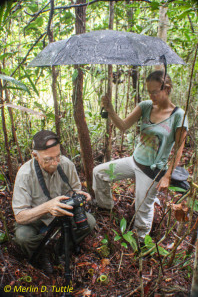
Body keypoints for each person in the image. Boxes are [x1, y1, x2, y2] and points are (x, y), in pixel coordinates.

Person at [93, 70, 188, 241]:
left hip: (151, 172)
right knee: (99, 172)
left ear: (167, 88)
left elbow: (179, 148)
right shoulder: (145, 106)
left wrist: (166, 176)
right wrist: (110, 110)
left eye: (155, 91)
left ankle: (141, 243)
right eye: (149, 91)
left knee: (142, 210)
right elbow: (123, 126)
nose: (151, 96)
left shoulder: (178, 116)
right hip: (134, 162)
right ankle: (107, 209)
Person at [12, 130, 96, 274]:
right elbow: (20, 216)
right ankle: (42, 252)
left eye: (58, 156)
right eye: (48, 159)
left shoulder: (66, 164)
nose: (55, 163)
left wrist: (78, 196)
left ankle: (60, 248)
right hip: (36, 217)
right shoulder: (25, 174)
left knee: (89, 222)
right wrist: (47, 207)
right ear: (35, 156)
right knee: (23, 237)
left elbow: (73, 190)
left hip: (63, 211)